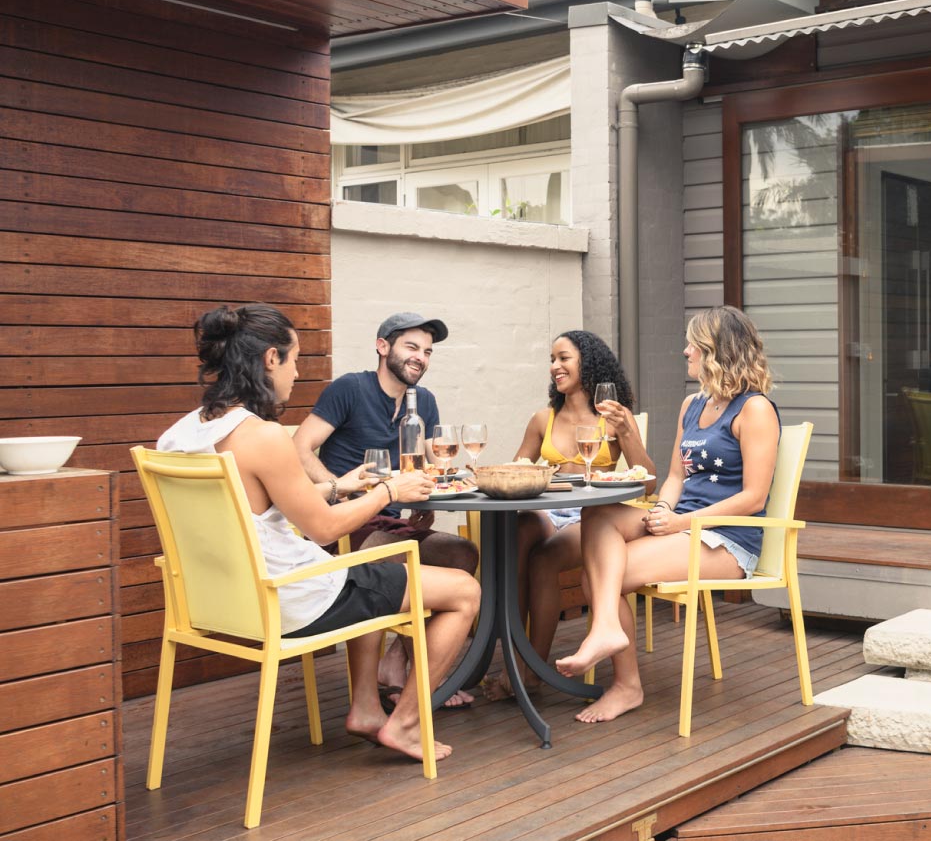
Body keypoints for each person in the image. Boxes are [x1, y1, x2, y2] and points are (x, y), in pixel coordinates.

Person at [157, 304, 480, 761]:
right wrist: (388, 491)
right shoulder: (263, 436)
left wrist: (335, 485)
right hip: (297, 597)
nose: (295, 373)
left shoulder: (179, 435)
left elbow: (271, 502)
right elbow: (324, 526)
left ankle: (367, 709)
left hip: (226, 600)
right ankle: (405, 724)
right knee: (464, 590)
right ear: (271, 359)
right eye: (294, 360)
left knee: (383, 567)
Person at [557, 306, 779, 723]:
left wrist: (682, 523)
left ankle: (626, 684)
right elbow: (675, 475)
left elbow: (753, 497)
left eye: (693, 344)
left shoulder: (755, 410)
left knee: (600, 576)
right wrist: (662, 509)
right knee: (599, 515)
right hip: (682, 524)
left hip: (728, 539)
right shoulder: (691, 405)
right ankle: (607, 629)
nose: (685, 351)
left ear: (718, 350)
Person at [292, 312, 480, 706]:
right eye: (411, 347)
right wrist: (336, 488)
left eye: (427, 352)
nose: (421, 358)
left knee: (460, 552)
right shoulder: (350, 389)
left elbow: (430, 461)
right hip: (344, 526)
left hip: (389, 522)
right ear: (383, 347)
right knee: (390, 554)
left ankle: (397, 660)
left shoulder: (423, 401)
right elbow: (299, 446)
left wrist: (431, 488)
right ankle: (419, 684)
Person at [487, 331, 654, 700]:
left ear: (587, 362)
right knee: (516, 533)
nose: (555, 367)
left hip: (594, 519)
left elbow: (647, 481)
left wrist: (627, 433)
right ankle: (508, 655)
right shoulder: (542, 419)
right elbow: (518, 471)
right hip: (548, 511)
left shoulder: (614, 418)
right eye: (552, 359)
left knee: (544, 559)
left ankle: (531, 669)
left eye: (564, 358)